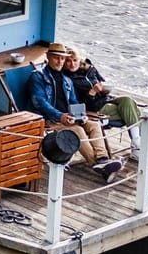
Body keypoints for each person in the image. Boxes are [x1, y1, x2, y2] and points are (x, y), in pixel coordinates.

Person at [26, 42, 122, 183]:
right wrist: (60, 116)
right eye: (56, 58)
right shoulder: (38, 76)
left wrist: (81, 116)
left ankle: (103, 159)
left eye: (62, 58)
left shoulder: (66, 80)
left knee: (93, 125)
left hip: (69, 118)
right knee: (77, 130)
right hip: (49, 119)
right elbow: (39, 102)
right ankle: (97, 164)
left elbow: (74, 102)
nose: (60, 62)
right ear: (48, 57)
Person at [63, 46, 143, 151]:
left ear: (80, 60)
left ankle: (136, 140)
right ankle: (137, 144)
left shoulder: (90, 69)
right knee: (134, 111)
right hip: (94, 108)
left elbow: (101, 81)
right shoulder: (67, 79)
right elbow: (78, 103)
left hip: (105, 98)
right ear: (64, 62)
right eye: (68, 61)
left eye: (75, 60)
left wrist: (103, 89)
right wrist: (92, 92)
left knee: (127, 100)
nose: (72, 64)